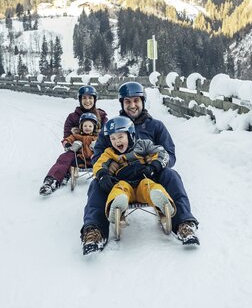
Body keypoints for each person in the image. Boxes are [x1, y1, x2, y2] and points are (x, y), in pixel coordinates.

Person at [81, 81, 199, 254]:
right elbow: (99, 154)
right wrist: (104, 173)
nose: (132, 105)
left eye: (136, 100)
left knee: (171, 175)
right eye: (127, 101)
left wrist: (154, 166)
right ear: (122, 103)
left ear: (143, 101)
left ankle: (183, 223)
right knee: (96, 184)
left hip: (149, 175)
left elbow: (169, 154)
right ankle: (95, 230)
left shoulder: (156, 126)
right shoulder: (113, 128)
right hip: (119, 179)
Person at [83, 116, 176, 255]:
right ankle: (117, 205)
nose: (117, 141)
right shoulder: (109, 152)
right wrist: (103, 175)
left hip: (142, 183)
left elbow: (162, 152)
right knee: (118, 189)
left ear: (131, 134)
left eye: (120, 137)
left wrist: (154, 166)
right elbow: (99, 164)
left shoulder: (143, 145)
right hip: (123, 184)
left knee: (150, 186)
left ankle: (162, 203)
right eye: (113, 139)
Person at [39, 85, 107, 196]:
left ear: (95, 99)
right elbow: (67, 137)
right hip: (78, 155)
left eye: (90, 98)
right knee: (64, 158)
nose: (87, 101)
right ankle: (52, 180)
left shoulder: (102, 116)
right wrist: (70, 145)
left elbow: (108, 136)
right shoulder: (72, 117)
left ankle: (110, 181)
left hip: (95, 155)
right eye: (84, 98)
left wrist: (98, 145)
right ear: (80, 100)